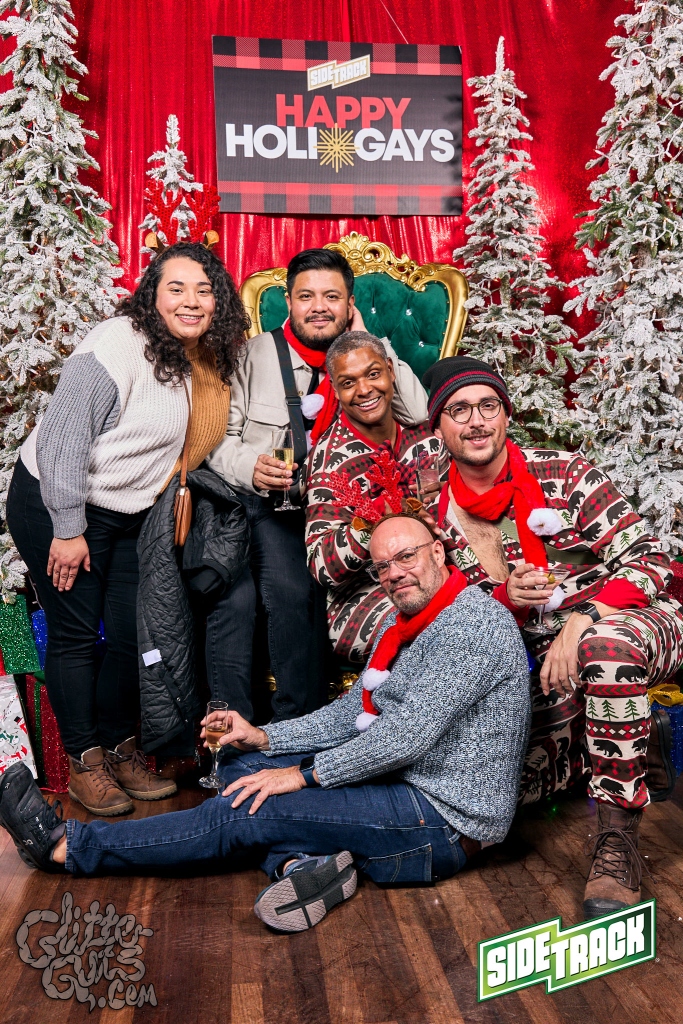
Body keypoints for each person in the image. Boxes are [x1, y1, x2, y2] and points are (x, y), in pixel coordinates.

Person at [0, 514, 531, 934]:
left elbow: (402, 739)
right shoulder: (408, 623)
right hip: (398, 782)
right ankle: (302, 866)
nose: (395, 573)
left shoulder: (471, 623)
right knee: (241, 760)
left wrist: (299, 776)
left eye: (406, 556)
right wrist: (264, 736)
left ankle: (67, 846)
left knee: (251, 808)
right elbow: (354, 714)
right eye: (383, 566)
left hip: (441, 820)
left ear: (438, 552)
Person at [420, 354, 683, 919]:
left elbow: (652, 558)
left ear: (505, 415)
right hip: (537, 650)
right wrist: (505, 597)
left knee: (603, 651)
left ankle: (617, 841)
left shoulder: (563, 472)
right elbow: (451, 613)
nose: (477, 421)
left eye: (488, 406)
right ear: (437, 426)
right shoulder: (432, 511)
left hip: (634, 619)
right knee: (504, 783)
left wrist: (584, 618)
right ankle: (639, 738)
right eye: (459, 410)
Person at [6, 241, 249, 817]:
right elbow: (63, 440)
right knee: (75, 634)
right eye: (176, 288)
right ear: (151, 296)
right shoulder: (116, 344)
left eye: (205, 290)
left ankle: (119, 749)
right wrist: (68, 529)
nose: (192, 301)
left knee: (126, 636)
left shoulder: (196, 357)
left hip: (127, 514)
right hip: (57, 503)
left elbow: (191, 441)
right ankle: (84, 762)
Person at [205, 248, 428, 721]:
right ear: (289, 301)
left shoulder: (364, 358)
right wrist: (251, 467)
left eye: (332, 296)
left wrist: (371, 341)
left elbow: (418, 413)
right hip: (274, 503)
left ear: (350, 304)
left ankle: (326, 724)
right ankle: (292, 723)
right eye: (306, 296)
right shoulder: (252, 355)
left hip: (350, 504)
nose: (319, 307)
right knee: (293, 590)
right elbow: (217, 440)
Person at [305, 330, 442, 664]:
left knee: (484, 608)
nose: (364, 389)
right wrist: (376, 517)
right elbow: (321, 565)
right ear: (335, 389)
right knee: (443, 629)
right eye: (348, 382)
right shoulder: (330, 464)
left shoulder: (422, 433)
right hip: (364, 596)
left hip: (434, 570)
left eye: (373, 374)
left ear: (390, 372)